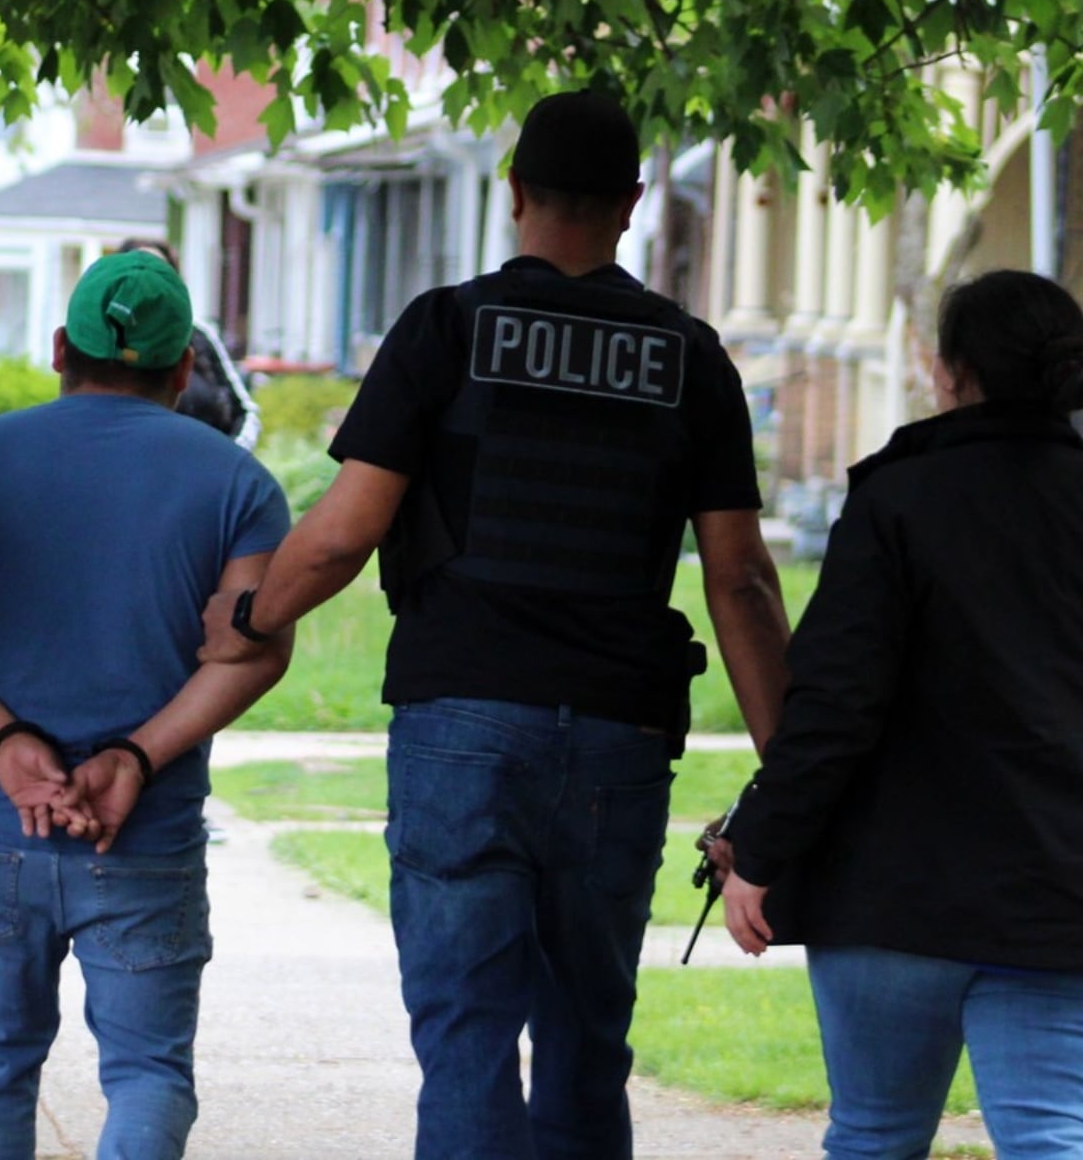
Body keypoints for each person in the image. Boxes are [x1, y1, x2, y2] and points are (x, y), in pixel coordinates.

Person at [197, 89, 793, 1158]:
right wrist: (791, 777)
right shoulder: (688, 357)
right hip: (617, 733)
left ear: (512, 191)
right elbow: (739, 581)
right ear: (630, 204)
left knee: (468, 1041)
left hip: (460, 720)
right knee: (584, 1043)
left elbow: (341, 534)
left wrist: (249, 613)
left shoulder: (446, 328)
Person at [720, 270, 1083, 1160]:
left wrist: (759, 846)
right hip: (1081, 894)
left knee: (872, 1135)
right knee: (1054, 1135)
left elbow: (833, 708)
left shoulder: (896, 503)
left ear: (947, 371)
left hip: (896, 896)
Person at [0, 250, 294, 1160]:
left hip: (1, 820)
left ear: (59, 347)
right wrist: (137, 756)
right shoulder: (237, 484)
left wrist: (6, 736)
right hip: (142, 829)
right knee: (146, 1072)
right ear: (184, 370)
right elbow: (255, 649)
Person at [113, 235, 262, 450]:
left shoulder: (200, 334)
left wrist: (229, 459)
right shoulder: (106, 338)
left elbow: (245, 412)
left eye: (160, 270)